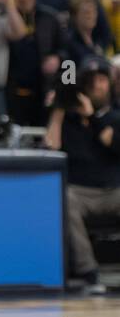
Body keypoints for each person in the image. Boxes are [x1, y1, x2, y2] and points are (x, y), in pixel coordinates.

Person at [46, 60, 120, 295]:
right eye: (92, 82)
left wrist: (94, 116)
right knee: (64, 198)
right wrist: (59, 108)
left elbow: (112, 143)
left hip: (113, 191)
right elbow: (51, 145)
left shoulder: (113, 116)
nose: (98, 86)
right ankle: (90, 272)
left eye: (102, 80)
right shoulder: (68, 121)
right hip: (80, 192)